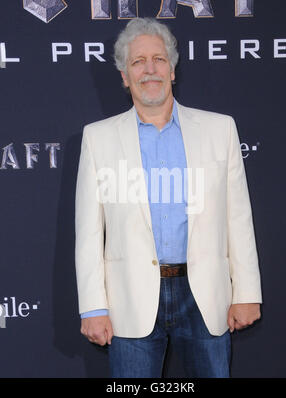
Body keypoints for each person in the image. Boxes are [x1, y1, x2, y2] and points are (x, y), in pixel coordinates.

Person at [75, 18, 262, 378]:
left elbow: (238, 217)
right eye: (138, 62)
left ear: (172, 70)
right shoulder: (97, 138)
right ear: (125, 77)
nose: (150, 70)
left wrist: (247, 291)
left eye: (159, 59)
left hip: (205, 293)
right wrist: (92, 307)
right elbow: (87, 232)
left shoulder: (219, 129)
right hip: (129, 298)